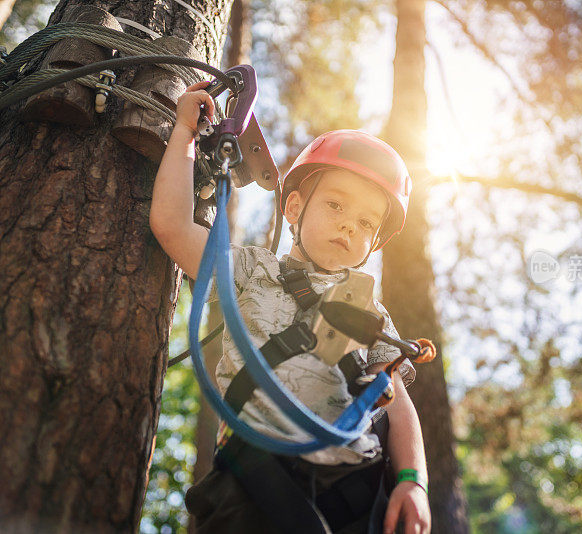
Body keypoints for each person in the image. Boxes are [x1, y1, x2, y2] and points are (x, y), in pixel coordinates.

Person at [150, 81, 431, 534]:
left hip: (352, 493)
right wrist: (184, 131)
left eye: (365, 222)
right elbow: (173, 226)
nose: (347, 225)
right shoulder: (249, 269)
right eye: (336, 204)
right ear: (295, 207)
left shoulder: (371, 314)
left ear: (374, 242)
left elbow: (396, 403)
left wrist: (412, 482)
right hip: (252, 481)